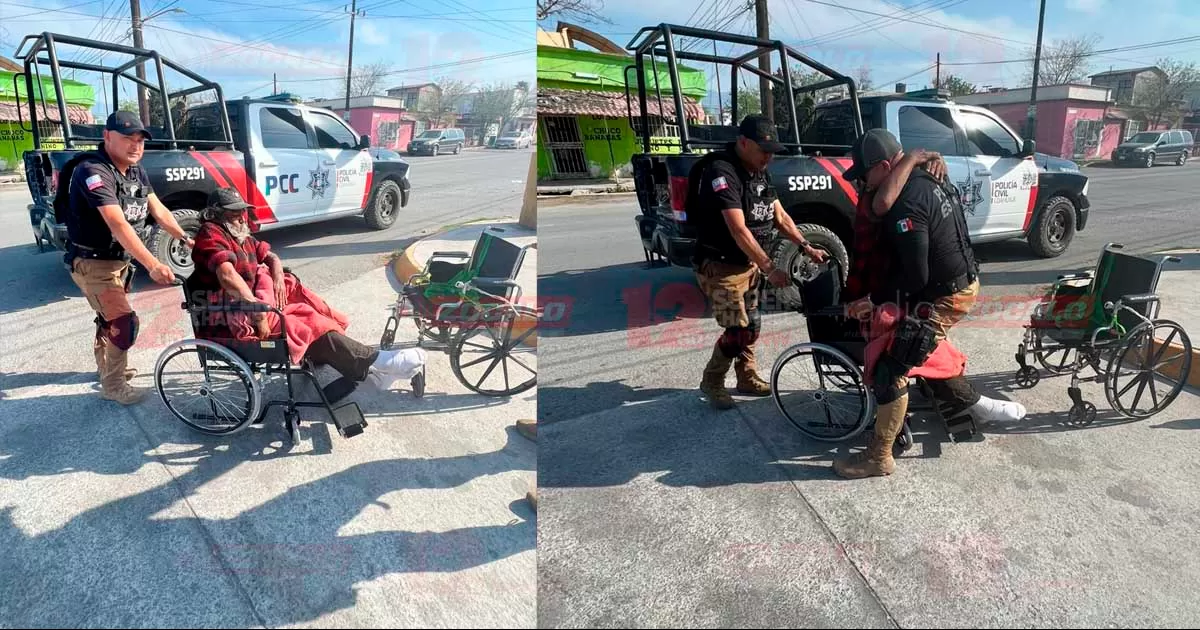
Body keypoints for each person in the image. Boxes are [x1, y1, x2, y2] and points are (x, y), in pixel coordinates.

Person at [833, 128, 1026, 479]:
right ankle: (973, 403)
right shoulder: (925, 177)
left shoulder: (906, 201)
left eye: (865, 174)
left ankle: (880, 456)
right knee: (920, 348)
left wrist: (873, 301)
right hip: (948, 283)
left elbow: (915, 276)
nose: (862, 182)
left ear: (886, 165)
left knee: (893, 366)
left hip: (946, 293)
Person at [189, 187, 425, 402]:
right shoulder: (211, 233)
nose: (241, 217)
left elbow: (270, 256)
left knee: (313, 310)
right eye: (233, 213)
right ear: (215, 214)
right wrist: (258, 313)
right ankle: (378, 361)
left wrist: (278, 277)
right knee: (306, 324)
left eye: (242, 211)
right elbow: (227, 276)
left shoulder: (239, 233)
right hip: (234, 314)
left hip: (255, 301)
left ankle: (372, 366)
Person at [688, 114, 828, 410]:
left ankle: (746, 377)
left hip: (748, 265)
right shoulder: (722, 171)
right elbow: (738, 229)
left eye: (772, 151)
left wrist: (806, 246)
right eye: (764, 150)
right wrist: (771, 268)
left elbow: (779, 216)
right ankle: (712, 380)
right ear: (743, 142)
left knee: (752, 324)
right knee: (737, 331)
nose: (769, 157)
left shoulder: (759, 170)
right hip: (722, 267)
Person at [64, 111, 195, 405]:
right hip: (93, 263)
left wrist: (185, 238)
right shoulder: (93, 171)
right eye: (127, 138)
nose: (136, 146)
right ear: (107, 137)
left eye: (140, 140)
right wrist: (154, 264)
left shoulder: (135, 171)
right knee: (123, 324)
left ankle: (107, 367)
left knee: (108, 318)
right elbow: (118, 224)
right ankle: (113, 385)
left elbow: (158, 210)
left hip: (118, 262)